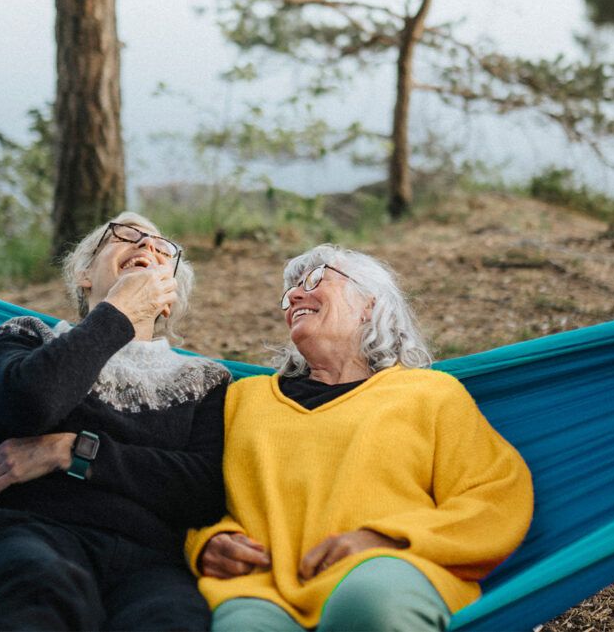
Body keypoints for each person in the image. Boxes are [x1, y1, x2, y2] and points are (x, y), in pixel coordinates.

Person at [188, 244, 533, 632]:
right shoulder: (241, 400)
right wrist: (208, 543)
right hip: (264, 590)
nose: (296, 297)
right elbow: (192, 495)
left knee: (368, 603)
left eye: (315, 280)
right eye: (290, 293)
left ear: (369, 304)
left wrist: (387, 540)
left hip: (386, 575)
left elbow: (495, 495)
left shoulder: (430, 394)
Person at [0, 213, 229, 631]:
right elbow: (31, 405)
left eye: (161, 246)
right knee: (35, 593)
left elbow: (203, 489)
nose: (147, 246)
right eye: (127, 235)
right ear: (84, 273)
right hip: (39, 537)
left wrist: (72, 451)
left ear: (168, 296)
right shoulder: (28, 339)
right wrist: (119, 311)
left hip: (153, 563)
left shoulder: (204, 381)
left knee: (172, 620)